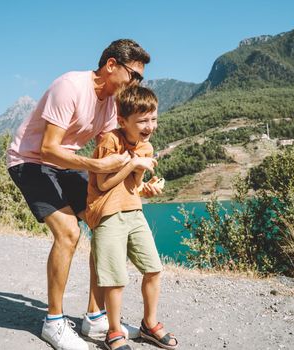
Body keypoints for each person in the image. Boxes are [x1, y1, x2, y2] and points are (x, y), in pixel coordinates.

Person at [7, 39, 159, 350]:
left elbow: (112, 147)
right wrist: (96, 164)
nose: (136, 83)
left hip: (65, 162)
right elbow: (48, 148)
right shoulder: (70, 87)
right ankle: (53, 321)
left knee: (103, 220)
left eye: (140, 79)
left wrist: (140, 173)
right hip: (30, 160)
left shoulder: (111, 104)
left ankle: (95, 316)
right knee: (68, 233)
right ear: (111, 65)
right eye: (135, 75)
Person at [85, 85, 179, 350]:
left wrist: (147, 187)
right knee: (115, 278)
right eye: (142, 121)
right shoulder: (110, 141)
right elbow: (103, 184)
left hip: (134, 212)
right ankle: (114, 332)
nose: (149, 125)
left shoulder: (146, 147)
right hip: (107, 215)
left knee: (154, 268)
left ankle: (149, 324)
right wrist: (132, 163)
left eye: (153, 118)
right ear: (123, 120)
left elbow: (132, 185)